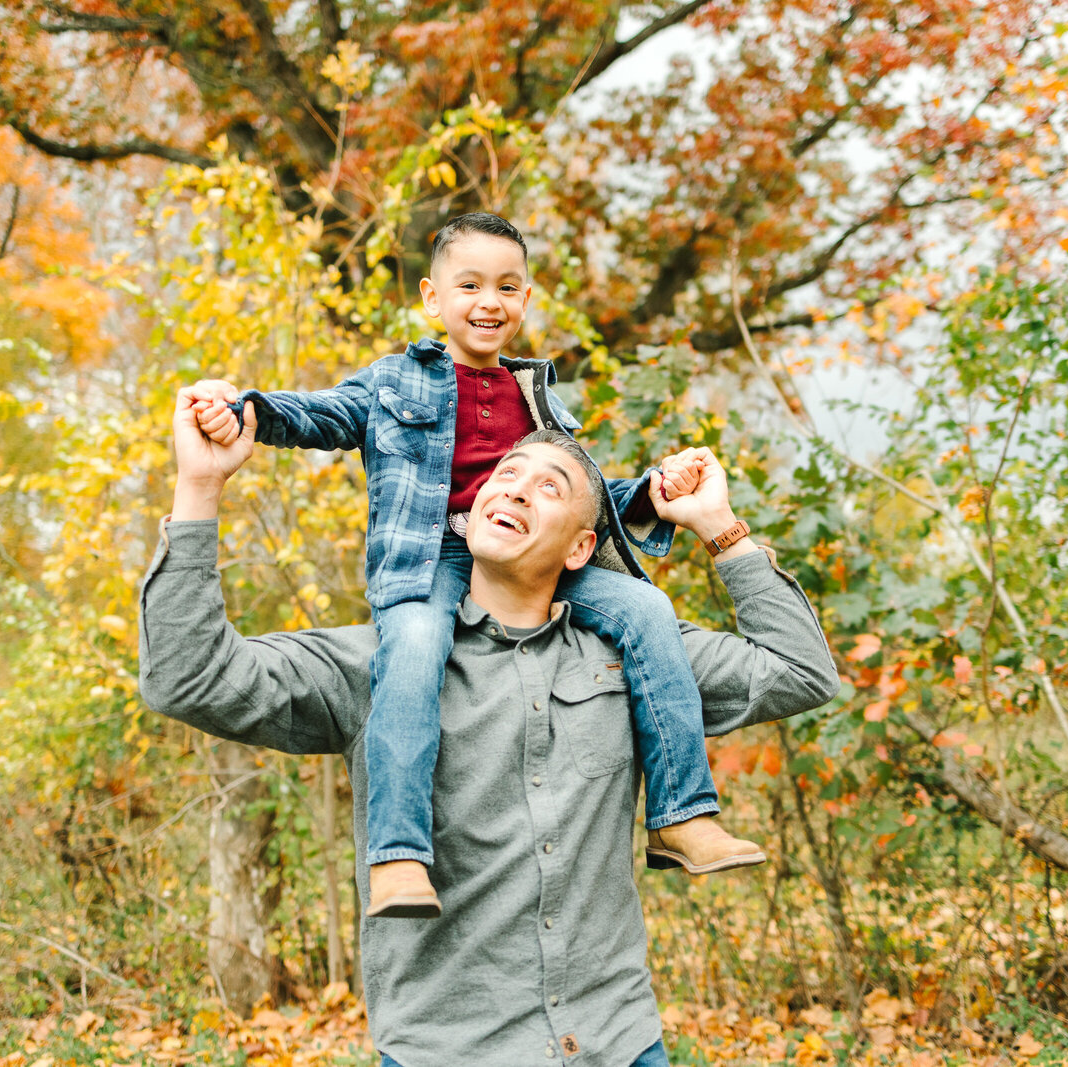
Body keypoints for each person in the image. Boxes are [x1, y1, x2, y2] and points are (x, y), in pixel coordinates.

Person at [139, 393, 840, 1067]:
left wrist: (720, 528)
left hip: (616, 1043)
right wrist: (199, 489)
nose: (516, 490)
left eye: (550, 486)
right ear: (469, 512)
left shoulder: (638, 659)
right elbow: (188, 677)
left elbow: (800, 672)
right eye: (504, 477)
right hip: (447, 1053)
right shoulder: (382, 666)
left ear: (580, 547)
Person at [190, 212, 761, 919]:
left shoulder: (539, 398)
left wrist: (653, 491)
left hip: (528, 556)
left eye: (507, 286)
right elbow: (317, 415)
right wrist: (242, 408)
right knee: (416, 651)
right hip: (429, 556)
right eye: (470, 284)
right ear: (433, 297)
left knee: (647, 609)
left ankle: (681, 816)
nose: (489, 301)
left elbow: (578, 501)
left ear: (525, 300)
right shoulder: (395, 379)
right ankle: (398, 855)